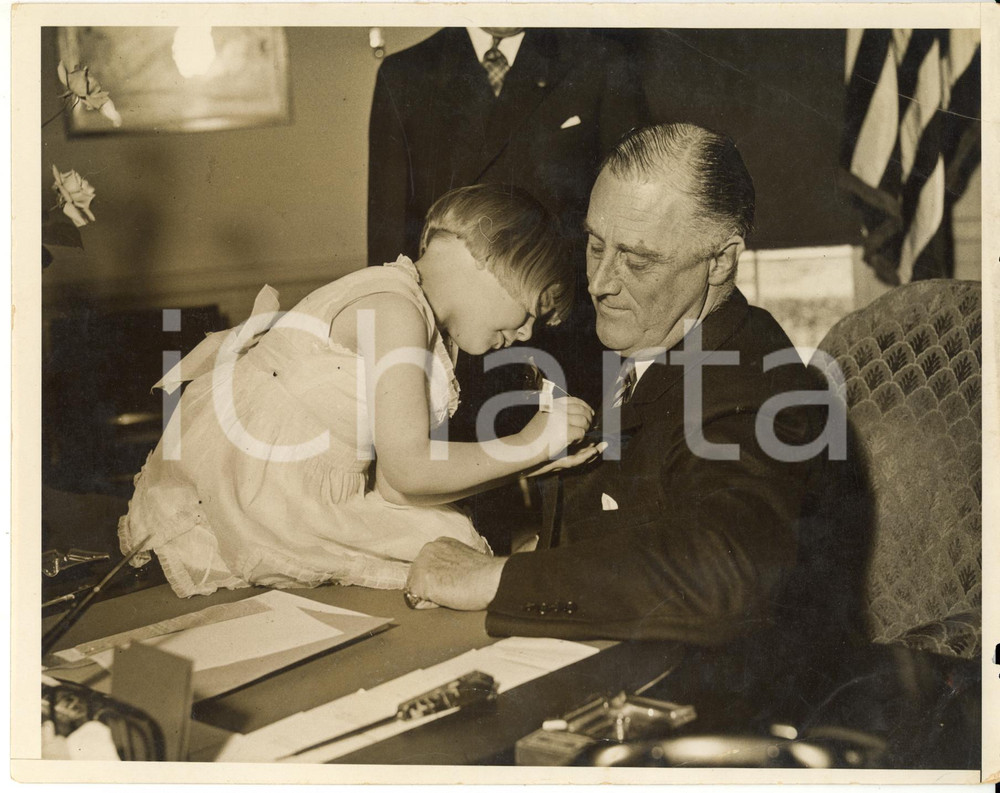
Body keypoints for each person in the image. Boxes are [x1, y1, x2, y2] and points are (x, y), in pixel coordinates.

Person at [405, 123, 847, 645]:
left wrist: (492, 577)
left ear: (721, 260)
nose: (600, 282)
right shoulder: (653, 343)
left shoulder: (755, 391)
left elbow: (724, 575)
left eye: (636, 260)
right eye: (595, 246)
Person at [117, 184, 599, 598]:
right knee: (452, 556)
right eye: (530, 310)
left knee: (447, 541)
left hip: (303, 484)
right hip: (259, 491)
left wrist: (529, 458)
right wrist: (526, 443)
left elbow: (399, 488)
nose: (528, 333)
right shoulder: (396, 310)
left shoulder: (419, 322)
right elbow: (409, 472)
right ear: (487, 261)